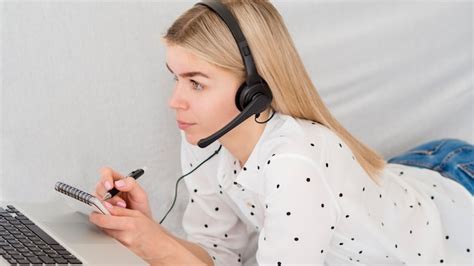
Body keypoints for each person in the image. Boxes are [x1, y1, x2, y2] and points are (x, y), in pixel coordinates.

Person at [89, 0, 473, 265]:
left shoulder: (293, 163)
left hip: (458, 192)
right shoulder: (205, 138)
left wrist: (156, 249)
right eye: (175, 79)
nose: (175, 101)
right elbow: (218, 254)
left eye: (197, 83)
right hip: (409, 179)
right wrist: (145, 232)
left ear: (252, 90)